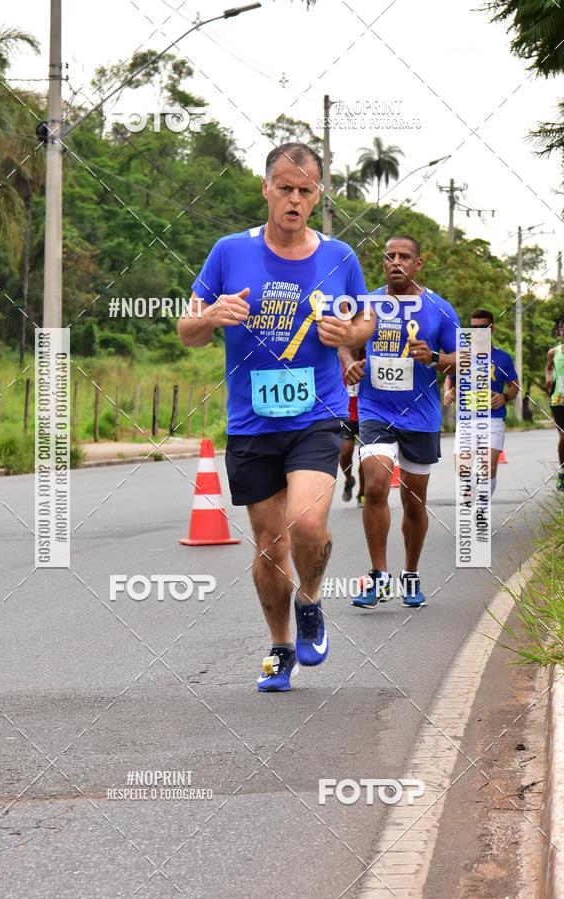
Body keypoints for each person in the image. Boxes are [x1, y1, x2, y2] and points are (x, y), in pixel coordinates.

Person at [178, 142, 375, 692]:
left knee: (307, 524)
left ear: (317, 196)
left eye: (305, 190)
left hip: (317, 413)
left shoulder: (340, 257)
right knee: (269, 544)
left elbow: (365, 323)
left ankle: (310, 603)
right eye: (284, 188)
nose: (294, 198)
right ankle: (280, 646)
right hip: (251, 422)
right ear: (265, 188)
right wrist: (212, 316)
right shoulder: (227, 252)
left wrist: (349, 334)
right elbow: (186, 330)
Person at [341, 235, 459, 610]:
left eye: (404, 256)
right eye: (389, 256)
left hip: (421, 417)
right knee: (375, 485)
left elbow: (469, 355)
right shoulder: (367, 304)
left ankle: (410, 574)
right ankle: (378, 575)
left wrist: (435, 357)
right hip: (376, 410)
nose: (396, 262)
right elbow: (344, 340)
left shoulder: (439, 309)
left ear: (417, 264)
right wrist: (350, 363)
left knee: (413, 502)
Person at [444, 309, 518, 496]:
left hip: (493, 419)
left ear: (492, 329)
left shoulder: (503, 358)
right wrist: (447, 392)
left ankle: (481, 508)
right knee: (463, 471)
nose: (477, 332)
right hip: (466, 419)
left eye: (482, 327)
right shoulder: (462, 355)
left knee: (487, 470)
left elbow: (514, 386)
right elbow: (450, 378)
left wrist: (505, 397)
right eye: (473, 327)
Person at [340, 355, 365, 505]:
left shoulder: (368, 356)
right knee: (345, 450)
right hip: (345, 413)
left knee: (366, 456)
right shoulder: (340, 357)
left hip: (366, 413)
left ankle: (363, 493)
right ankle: (349, 480)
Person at [545, 317, 564, 492]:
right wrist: (548, 378)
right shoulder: (553, 352)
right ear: (560, 331)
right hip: (559, 400)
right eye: (563, 328)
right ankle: (563, 472)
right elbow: (549, 367)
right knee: (563, 437)